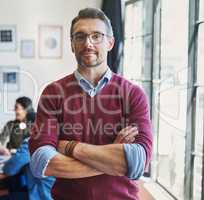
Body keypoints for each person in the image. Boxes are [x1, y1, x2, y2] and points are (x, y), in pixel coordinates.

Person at [29, 8, 153, 200]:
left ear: (110, 43)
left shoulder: (133, 94)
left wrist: (71, 147)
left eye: (97, 36)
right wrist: (113, 156)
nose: (88, 43)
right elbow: (41, 163)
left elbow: (138, 163)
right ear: (72, 44)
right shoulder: (53, 93)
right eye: (80, 36)